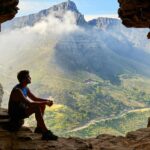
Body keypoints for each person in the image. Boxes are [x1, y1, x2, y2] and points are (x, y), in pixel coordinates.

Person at [8, 70, 58, 140]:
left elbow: (35, 98)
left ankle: (39, 128)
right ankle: (45, 132)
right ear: (23, 79)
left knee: (41, 105)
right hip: (16, 114)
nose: (30, 78)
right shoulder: (17, 91)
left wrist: (46, 101)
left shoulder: (25, 88)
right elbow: (30, 104)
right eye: (28, 77)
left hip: (21, 109)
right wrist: (46, 102)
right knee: (36, 108)